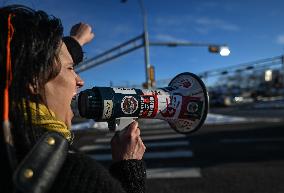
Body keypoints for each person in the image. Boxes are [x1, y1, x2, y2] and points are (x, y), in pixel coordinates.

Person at [0, 4, 146, 193]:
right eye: (71, 69)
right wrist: (129, 169)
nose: (80, 81)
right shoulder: (75, 176)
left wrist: (75, 42)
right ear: (33, 80)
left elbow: (27, 57)